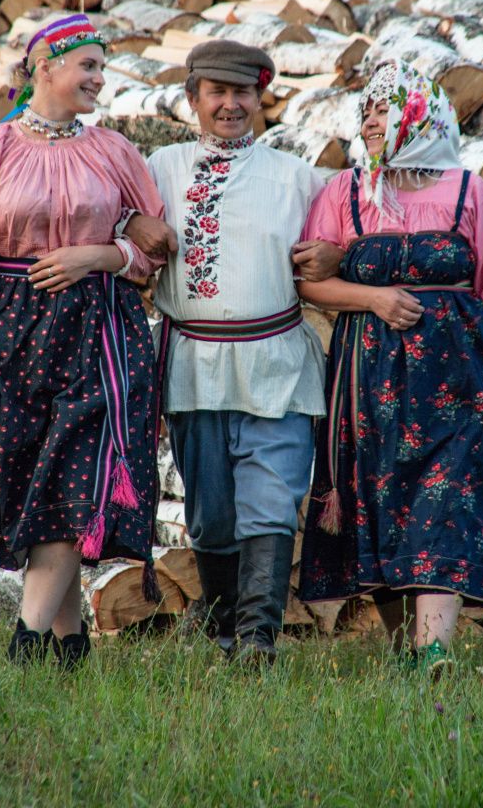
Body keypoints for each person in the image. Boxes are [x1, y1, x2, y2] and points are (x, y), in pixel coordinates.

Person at [0, 14, 165, 668]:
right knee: (36, 484)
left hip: (98, 331)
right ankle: (70, 648)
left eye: (101, 67)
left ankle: (25, 645)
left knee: (73, 480)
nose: (99, 78)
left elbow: (154, 250)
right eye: (87, 65)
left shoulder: (114, 151)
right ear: (46, 67)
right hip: (10, 330)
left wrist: (98, 253)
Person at [297, 59, 483, 675]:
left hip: (461, 379)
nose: (371, 121)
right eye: (367, 111)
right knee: (380, 502)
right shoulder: (346, 194)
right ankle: (408, 650)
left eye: (384, 108)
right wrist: (373, 297)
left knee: (446, 500)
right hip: (368, 378)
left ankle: (434, 651)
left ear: (420, 112)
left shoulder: (467, 191)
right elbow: (312, 286)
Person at [120, 39, 342, 663]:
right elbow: (114, 217)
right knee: (212, 512)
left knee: (272, 499)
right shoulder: (160, 166)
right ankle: (222, 628)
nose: (230, 105)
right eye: (216, 93)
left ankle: (257, 640)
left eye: (242, 92)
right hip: (193, 362)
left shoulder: (296, 177)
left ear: (260, 97)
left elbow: (336, 243)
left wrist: (337, 255)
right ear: (192, 100)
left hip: (276, 360)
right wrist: (131, 223)